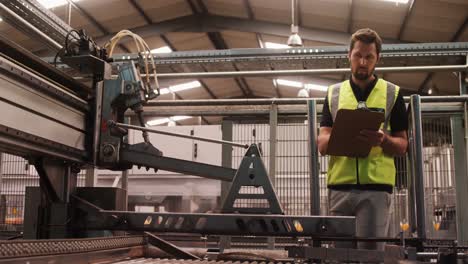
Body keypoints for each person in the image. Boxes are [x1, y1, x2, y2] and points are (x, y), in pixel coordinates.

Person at [317, 28, 408, 251]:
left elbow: (402, 145)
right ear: (349, 55)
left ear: (378, 59)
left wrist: (383, 140)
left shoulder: (392, 93)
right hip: (340, 188)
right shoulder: (334, 93)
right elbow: (322, 143)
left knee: (371, 257)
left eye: (369, 57)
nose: (363, 62)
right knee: (340, 256)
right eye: (358, 55)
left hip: (376, 191)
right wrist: (340, 137)